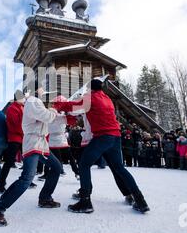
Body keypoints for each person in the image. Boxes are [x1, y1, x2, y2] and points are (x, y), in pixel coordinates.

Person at [55, 78, 149, 214]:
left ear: (91, 89)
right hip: (115, 136)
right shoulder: (107, 98)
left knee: (83, 164)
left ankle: (85, 201)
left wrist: (60, 105)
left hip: (102, 136)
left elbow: (73, 107)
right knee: (119, 168)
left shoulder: (90, 97)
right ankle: (140, 201)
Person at [0, 82, 62, 227]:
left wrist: (61, 115)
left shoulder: (36, 103)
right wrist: (55, 110)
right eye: (42, 88)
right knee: (27, 178)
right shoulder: (32, 101)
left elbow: (47, 120)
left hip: (41, 143)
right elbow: (47, 117)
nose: (44, 91)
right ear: (35, 90)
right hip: (33, 142)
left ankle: (45, 198)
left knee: (56, 167)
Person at [0, 90, 36, 193]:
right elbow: (15, 125)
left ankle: (28, 180)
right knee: (9, 161)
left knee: (27, 159)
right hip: (15, 138)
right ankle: (0, 184)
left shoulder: (22, 108)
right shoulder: (12, 108)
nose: (25, 100)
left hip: (22, 137)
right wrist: (27, 131)